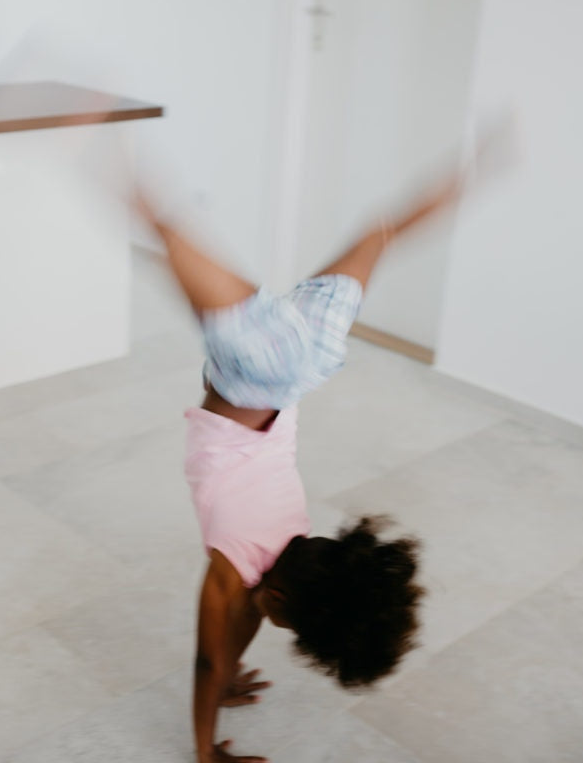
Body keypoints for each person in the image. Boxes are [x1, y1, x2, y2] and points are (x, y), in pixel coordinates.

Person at [131, 164, 471, 763]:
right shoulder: (234, 573)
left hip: (311, 360)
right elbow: (208, 656)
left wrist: (232, 668)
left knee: (378, 237)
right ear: (282, 602)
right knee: (163, 227)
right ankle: (101, 148)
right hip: (262, 367)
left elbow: (250, 622)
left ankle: (453, 185)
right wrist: (206, 752)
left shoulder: (291, 541)